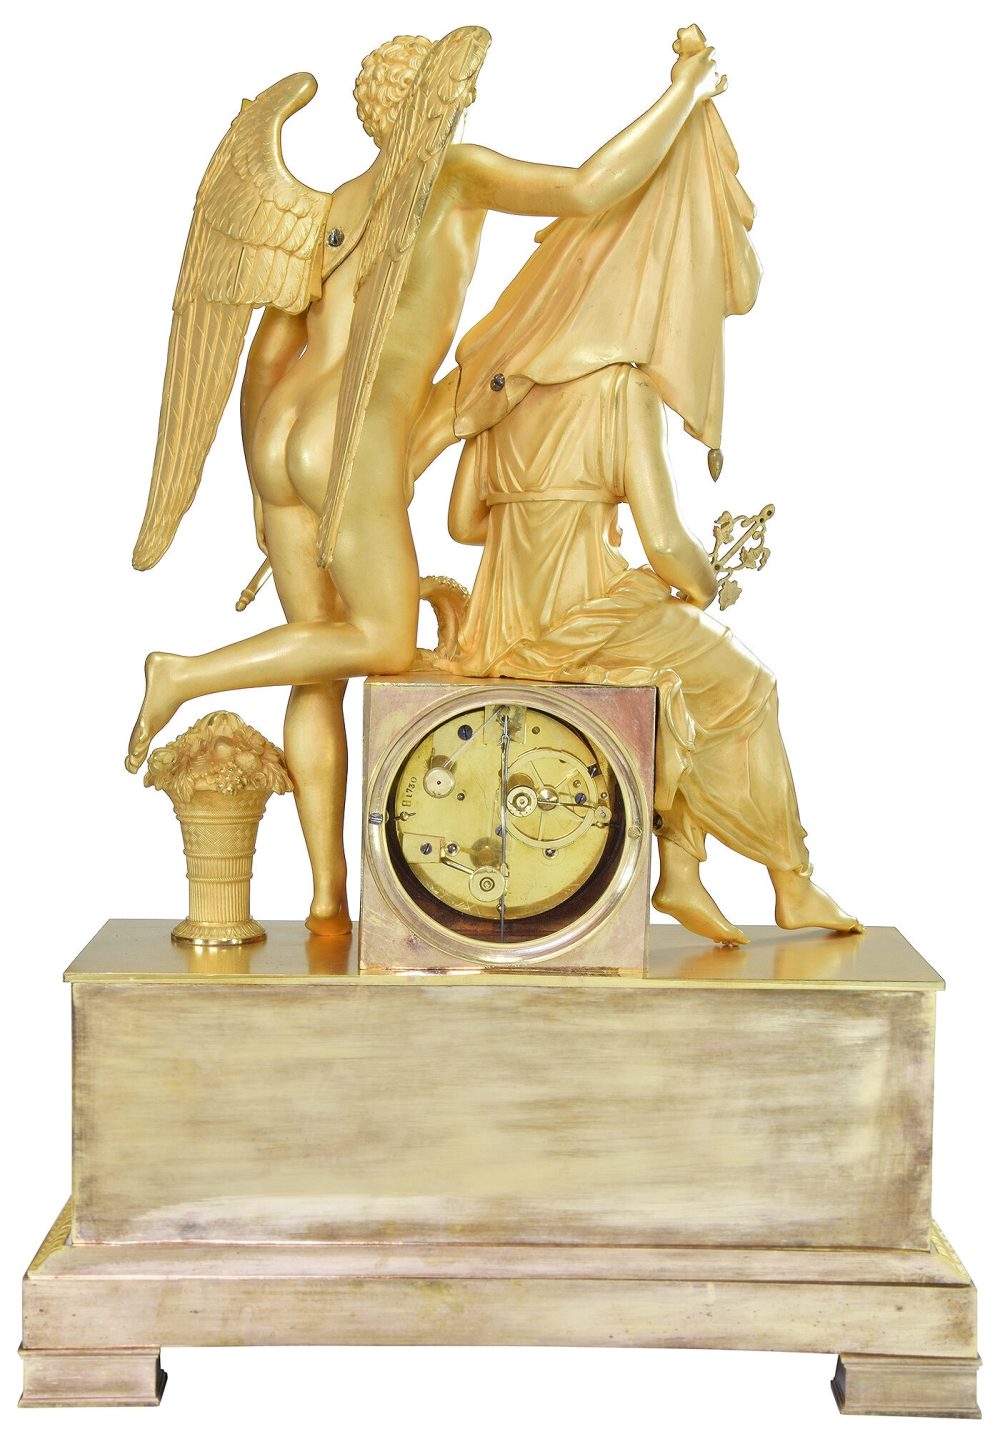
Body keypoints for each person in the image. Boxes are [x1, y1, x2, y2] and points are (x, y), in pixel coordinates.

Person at [125, 32, 728, 936]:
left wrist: (260, 477)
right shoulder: (454, 173)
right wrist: (685, 89)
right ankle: (186, 671)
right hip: (350, 435)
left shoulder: (329, 208)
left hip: (279, 428)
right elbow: (589, 187)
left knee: (318, 660)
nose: (467, 104)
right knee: (378, 637)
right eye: (458, 93)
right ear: (430, 102)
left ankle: (327, 900)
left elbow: (271, 345)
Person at [430, 362, 860, 945]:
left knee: (673, 690)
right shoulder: (622, 390)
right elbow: (664, 542)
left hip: (501, 627)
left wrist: (534, 521)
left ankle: (683, 877)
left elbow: (462, 525)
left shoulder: (498, 388)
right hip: (585, 613)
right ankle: (789, 879)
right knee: (744, 683)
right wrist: (701, 586)